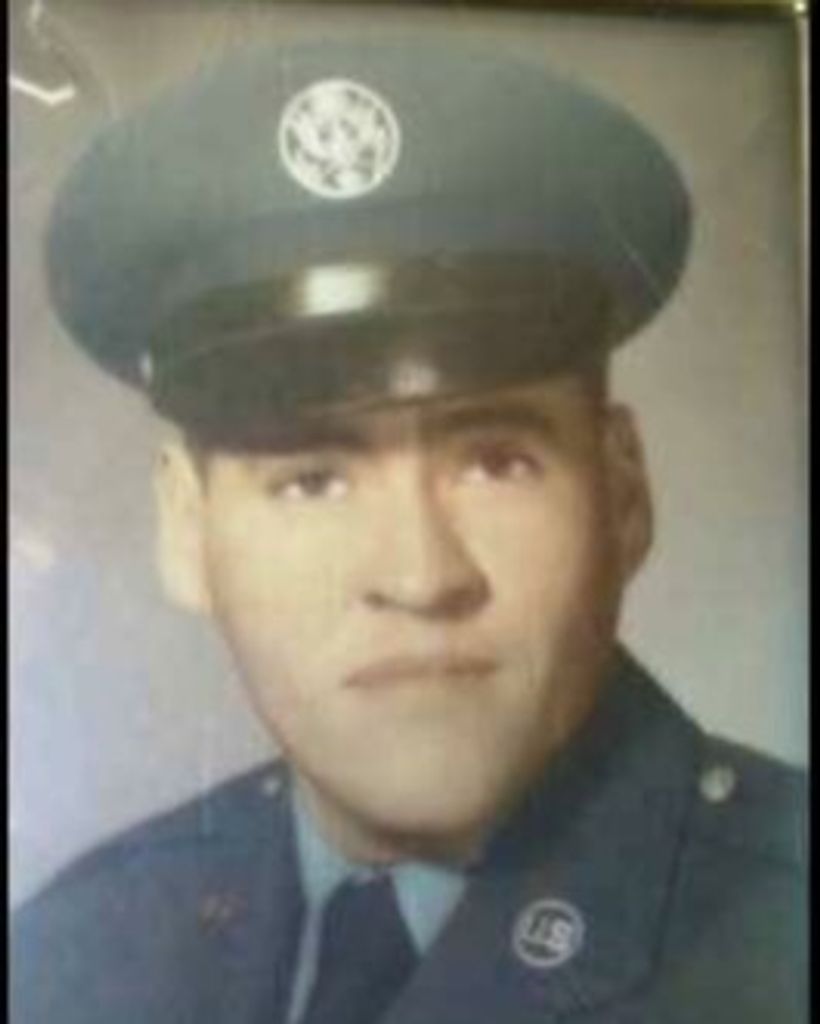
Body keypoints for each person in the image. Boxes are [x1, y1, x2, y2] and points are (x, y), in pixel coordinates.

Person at [11, 28, 806, 1024]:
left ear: (623, 493)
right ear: (185, 530)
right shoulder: (73, 956)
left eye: (496, 461)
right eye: (311, 479)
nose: (421, 575)